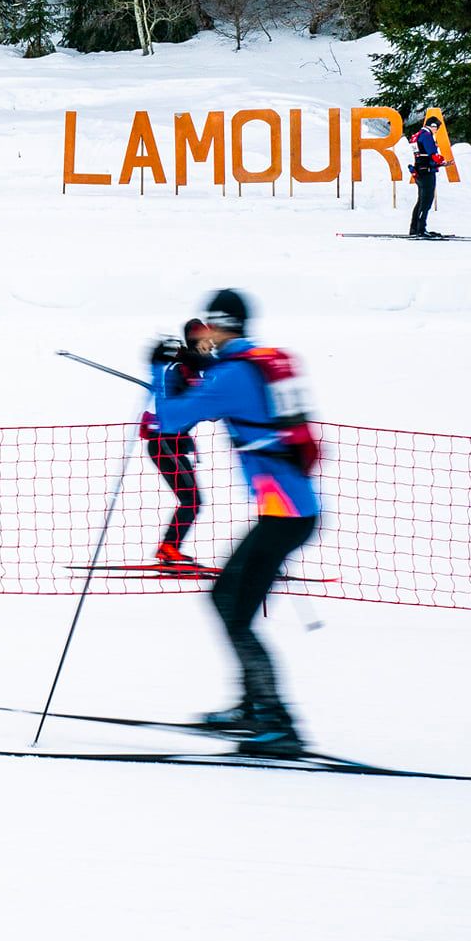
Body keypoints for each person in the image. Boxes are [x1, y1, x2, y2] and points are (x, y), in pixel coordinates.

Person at [148, 289, 322, 757]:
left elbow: (169, 419)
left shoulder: (234, 374)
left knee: (227, 600)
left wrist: (158, 371)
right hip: (291, 511)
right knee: (233, 605)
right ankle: (253, 709)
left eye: (209, 327)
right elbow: (225, 392)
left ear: (221, 326)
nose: (205, 334)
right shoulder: (259, 364)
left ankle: (276, 722)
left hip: (283, 516)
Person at [140, 318, 211, 568]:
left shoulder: (189, 367)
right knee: (192, 499)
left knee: (191, 500)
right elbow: (201, 404)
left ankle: (169, 548)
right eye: (207, 341)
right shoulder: (182, 368)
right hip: (164, 444)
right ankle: (169, 549)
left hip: (171, 444)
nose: (211, 346)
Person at [408, 117, 446, 238]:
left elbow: (421, 154)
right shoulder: (427, 136)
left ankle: (414, 228)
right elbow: (432, 154)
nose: (437, 130)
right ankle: (421, 229)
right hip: (427, 172)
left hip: (419, 171)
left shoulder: (417, 135)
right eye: (437, 127)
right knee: (427, 201)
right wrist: (440, 161)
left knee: (421, 201)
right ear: (432, 125)